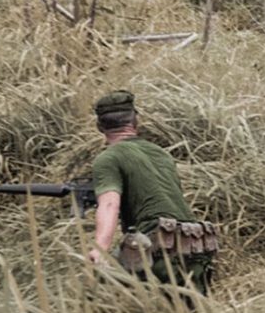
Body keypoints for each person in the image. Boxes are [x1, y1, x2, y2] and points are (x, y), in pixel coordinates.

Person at [89, 90, 216, 298]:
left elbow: (110, 204)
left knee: (99, 294)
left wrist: (100, 249)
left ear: (99, 127)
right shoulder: (161, 153)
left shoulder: (108, 158)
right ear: (135, 121)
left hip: (157, 249)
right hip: (196, 247)